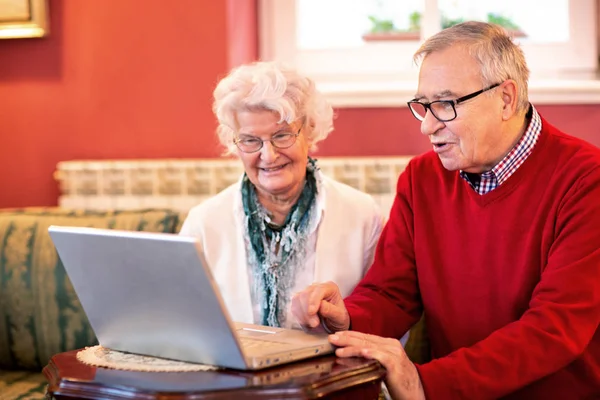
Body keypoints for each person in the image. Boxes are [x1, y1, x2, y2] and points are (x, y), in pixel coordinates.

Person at [291, 21, 600, 399]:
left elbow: (554, 329)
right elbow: (391, 293)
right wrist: (349, 316)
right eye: (423, 106)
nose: (427, 126)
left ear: (506, 98)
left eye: (446, 104)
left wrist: (427, 382)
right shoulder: (421, 178)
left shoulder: (587, 181)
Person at [179, 61, 384, 330]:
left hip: (332, 370)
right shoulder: (203, 223)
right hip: (233, 371)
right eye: (251, 140)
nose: (269, 155)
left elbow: (383, 315)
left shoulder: (362, 214)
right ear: (235, 143)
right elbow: (182, 319)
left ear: (309, 132)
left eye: (282, 135)